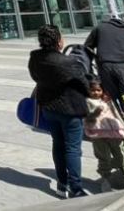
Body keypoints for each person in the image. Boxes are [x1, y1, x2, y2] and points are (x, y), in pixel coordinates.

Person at [28, 24, 90, 199]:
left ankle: (62, 184)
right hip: (70, 109)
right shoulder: (68, 62)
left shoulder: (35, 58)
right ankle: (76, 187)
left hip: (49, 107)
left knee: (58, 144)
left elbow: (35, 77)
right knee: (72, 148)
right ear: (58, 41)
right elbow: (84, 85)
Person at [86, 76, 124, 194]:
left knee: (121, 156)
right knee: (103, 158)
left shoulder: (108, 101)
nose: (96, 93)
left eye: (98, 90)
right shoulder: (86, 102)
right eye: (93, 90)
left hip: (115, 133)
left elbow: (117, 115)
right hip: (98, 136)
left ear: (102, 90)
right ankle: (106, 179)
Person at [84, 13, 124, 114]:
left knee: (112, 95)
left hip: (105, 65)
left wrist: (94, 61)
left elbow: (87, 47)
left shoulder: (100, 28)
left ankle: (118, 115)